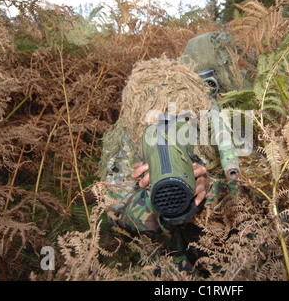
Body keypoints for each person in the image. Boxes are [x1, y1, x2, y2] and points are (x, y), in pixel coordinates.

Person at [97, 31, 250, 262]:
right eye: (199, 86)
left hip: (231, 250)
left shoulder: (236, 119)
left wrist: (210, 190)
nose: (206, 97)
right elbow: (113, 211)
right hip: (163, 259)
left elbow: (255, 189)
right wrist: (152, 192)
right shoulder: (142, 123)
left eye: (213, 87)